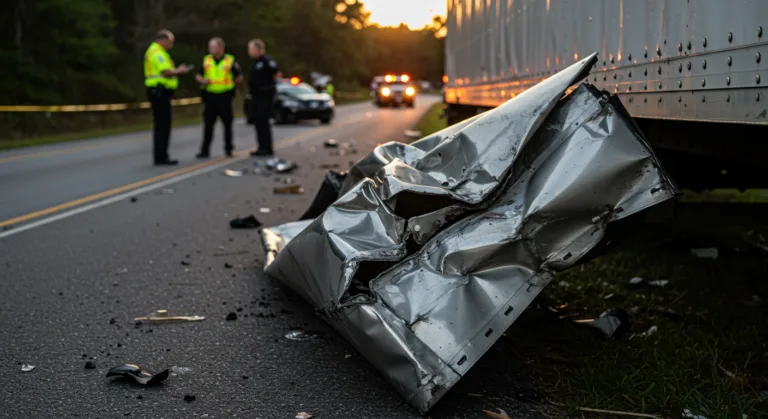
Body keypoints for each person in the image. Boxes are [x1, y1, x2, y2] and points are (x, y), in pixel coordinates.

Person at [144, 29, 190, 165]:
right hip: (159, 91)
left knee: (163, 124)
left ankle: (162, 155)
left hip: (160, 91)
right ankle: (161, 156)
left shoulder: (159, 52)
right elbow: (166, 72)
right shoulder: (156, 52)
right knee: (162, 125)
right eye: (170, 42)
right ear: (163, 40)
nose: (171, 45)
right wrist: (179, 71)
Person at [195, 37, 243, 158]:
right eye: (210, 47)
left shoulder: (229, 60)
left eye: (213, 47)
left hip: (225, 96)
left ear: (221, 48)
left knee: (227, 124)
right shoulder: (206, 60)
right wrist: (203, 80)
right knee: (208, 125)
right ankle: (205, 150)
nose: (210, 49)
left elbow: (239, 76)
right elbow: (198, 75)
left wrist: (230, 84)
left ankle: (228, 149)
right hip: (210, 96)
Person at [247, 39, 280, 157]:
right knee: (257, 121)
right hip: (256, 96)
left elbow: (276, 74)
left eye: (251, 49)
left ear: (258, 49)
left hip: (265, 95)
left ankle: (267, 148)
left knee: (263, 121)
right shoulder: (255, 62)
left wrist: (269, 87)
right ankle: (261, 147)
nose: (249, 51)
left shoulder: (267, 61)